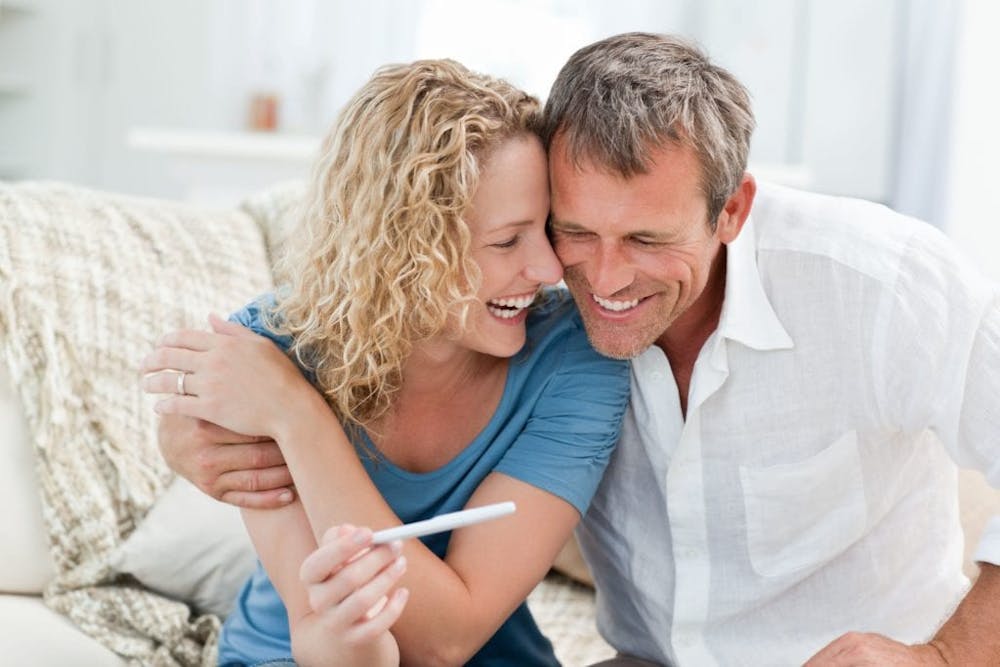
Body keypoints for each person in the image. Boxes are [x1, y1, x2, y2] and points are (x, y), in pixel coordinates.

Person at [158, 33, 1000, 666]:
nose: (596, 275)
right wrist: (193, 432)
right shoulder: (547, 324)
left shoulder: (880, 283)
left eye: (645, 237)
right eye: (573, 230)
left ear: (733, 210)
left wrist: (945, 656)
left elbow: (451, 622)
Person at [141, 58, 629, 667]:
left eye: (547, 231)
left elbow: (446, 640)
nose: (550, 270)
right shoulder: (266, 354)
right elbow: (327, 631)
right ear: (404, 247)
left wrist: (298, 418)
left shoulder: (574, 356)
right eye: (507, 241)